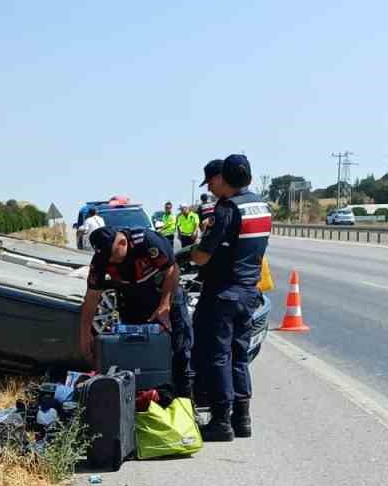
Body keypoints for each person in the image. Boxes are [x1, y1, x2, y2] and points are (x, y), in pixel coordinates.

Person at [189, 155, 272, 441]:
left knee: (218, 356)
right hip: (249, 291)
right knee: (239, 354)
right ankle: (243, 418)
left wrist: (191, 254)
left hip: (223, 292)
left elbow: (203, 256)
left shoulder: (227, 209)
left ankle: (221, 421)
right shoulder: (261, 206)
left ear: (223, 178)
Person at [78, 223, 193, 397]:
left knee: (180, 352)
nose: (110, 262)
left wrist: (164, 305)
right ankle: (142, 401)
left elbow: (172, 269)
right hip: (133, 302)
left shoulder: (147, 241)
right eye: (106, 259)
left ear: (122, 243)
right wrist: (85, 334)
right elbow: (92, 296)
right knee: (136, 353)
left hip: (165, 295)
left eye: (112, 257)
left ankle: (185, 402)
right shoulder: (101, 260)